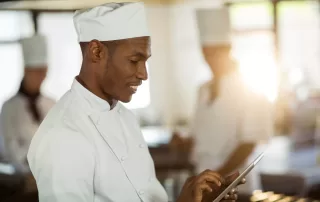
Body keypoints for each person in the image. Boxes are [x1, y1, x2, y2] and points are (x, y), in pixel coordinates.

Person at [27, 2, 245, 202]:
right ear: (96, 52)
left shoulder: (126, 118)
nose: (143, 74)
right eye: (134, 60)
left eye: (145, 61)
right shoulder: (62, 134)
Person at [172, 7, 273, 194]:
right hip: (204, 184)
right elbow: (199, 137)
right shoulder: (202, 90)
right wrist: (183, 142)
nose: (209, 59)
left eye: (214, 52)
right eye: (205, 52)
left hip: (236, 185)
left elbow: (248, 143)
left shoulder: (250, 88)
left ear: (228, 49)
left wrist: (218, 176)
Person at [0, 34, 55, 174]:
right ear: (26, 71)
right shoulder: (9, 107)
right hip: (22, 177)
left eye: (43, 71)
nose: (40, 76)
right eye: (36, 71)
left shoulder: (52, 104)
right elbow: (10, 148)